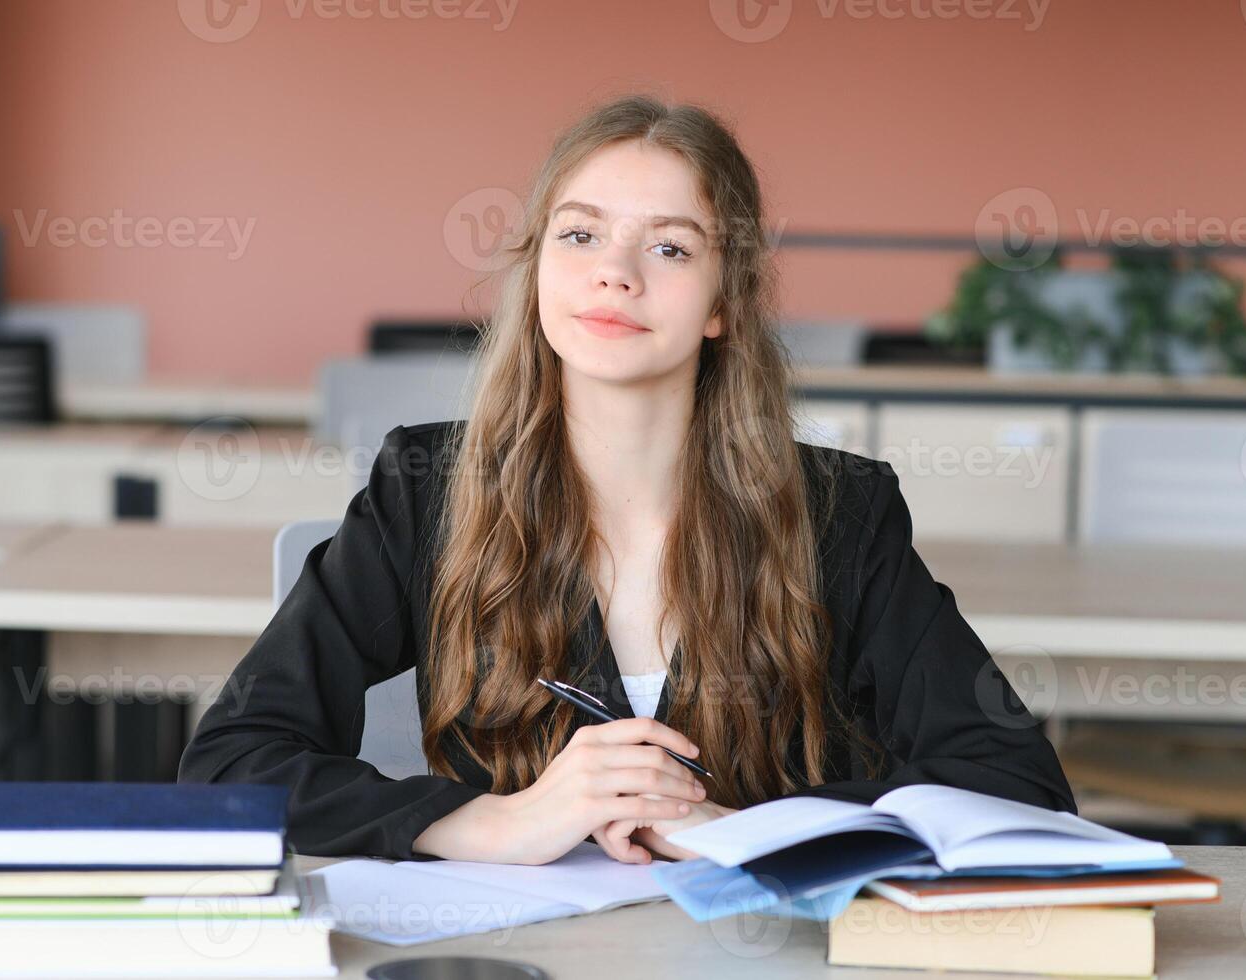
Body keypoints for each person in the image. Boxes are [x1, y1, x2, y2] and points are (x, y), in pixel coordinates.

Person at [178, 94, 1074, 867]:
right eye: (579, 234)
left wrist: (737, 831)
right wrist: (492, 822)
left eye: (672, 249)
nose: (615, 271)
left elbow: (1013, 786)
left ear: (725, 302)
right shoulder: (428, 491)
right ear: (536, 274)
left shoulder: (840, 514)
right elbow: (233, 762)